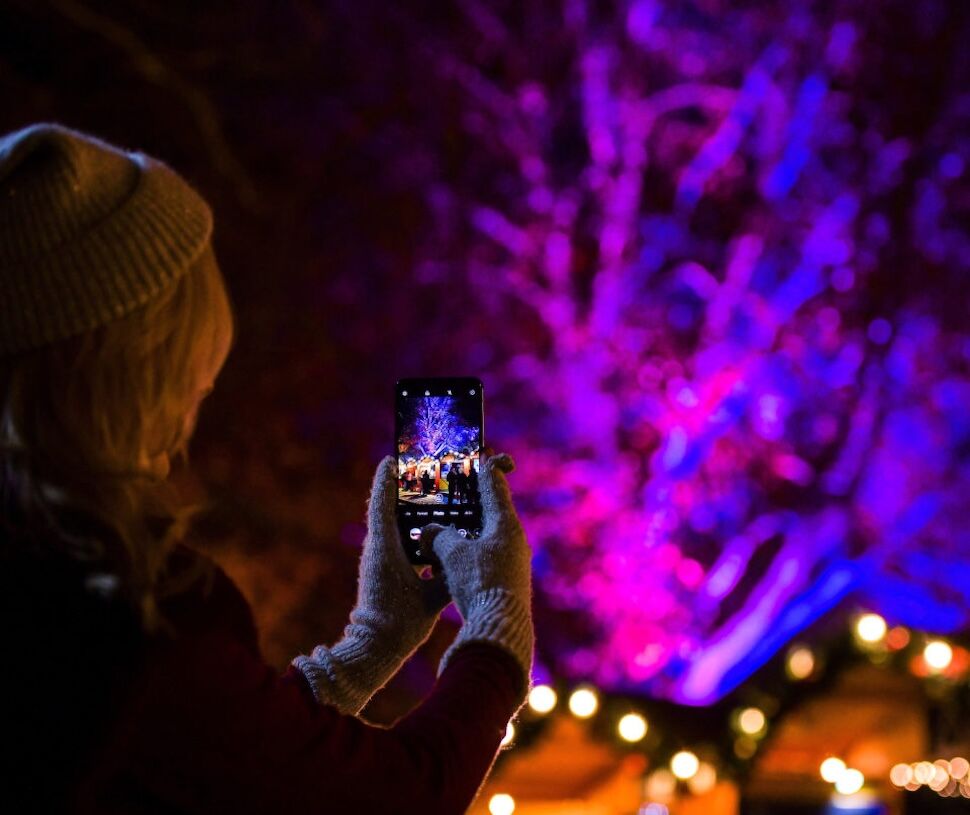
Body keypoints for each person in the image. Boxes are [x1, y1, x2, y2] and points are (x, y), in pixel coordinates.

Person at [0, 123, 533, 814]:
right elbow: (396, 797)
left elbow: (206, 749)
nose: (185, 429)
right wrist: (498, 627)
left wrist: (371, 645)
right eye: (188, 386)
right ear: (130, 376)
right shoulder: (121, 615)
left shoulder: (43, 579)